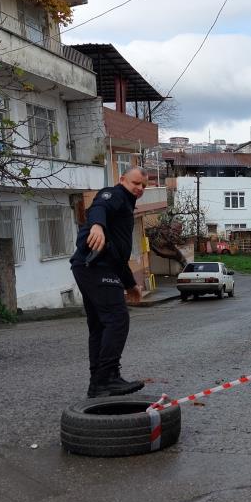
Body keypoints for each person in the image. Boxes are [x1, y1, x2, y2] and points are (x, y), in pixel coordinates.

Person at [70, 167, 147, 398]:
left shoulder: (126, 206)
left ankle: (97, 385)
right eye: (136, 183)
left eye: (144, 185)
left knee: (100, 326)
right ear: (122, 179)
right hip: (94, 266)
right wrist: (97, 226)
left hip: (94, 267)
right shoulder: (114, 194)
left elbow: (117, 257)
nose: (140, 188)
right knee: (117, 318)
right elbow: (98, 207)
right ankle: (107, 378)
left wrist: (130, 284)